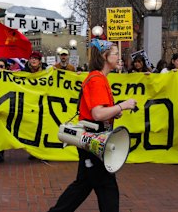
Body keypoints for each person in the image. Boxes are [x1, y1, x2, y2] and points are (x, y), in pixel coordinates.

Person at [48, 39, 137, 212]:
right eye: (115, 53)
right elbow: (97, 114)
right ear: (105, 56)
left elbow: (100, 111)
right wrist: (122, 106)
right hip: (94, 140)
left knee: (83, 185)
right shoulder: (97, 80)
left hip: (93, 139)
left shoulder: (99, 78)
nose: (119, 57)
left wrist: (114, 111)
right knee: (106, 186)